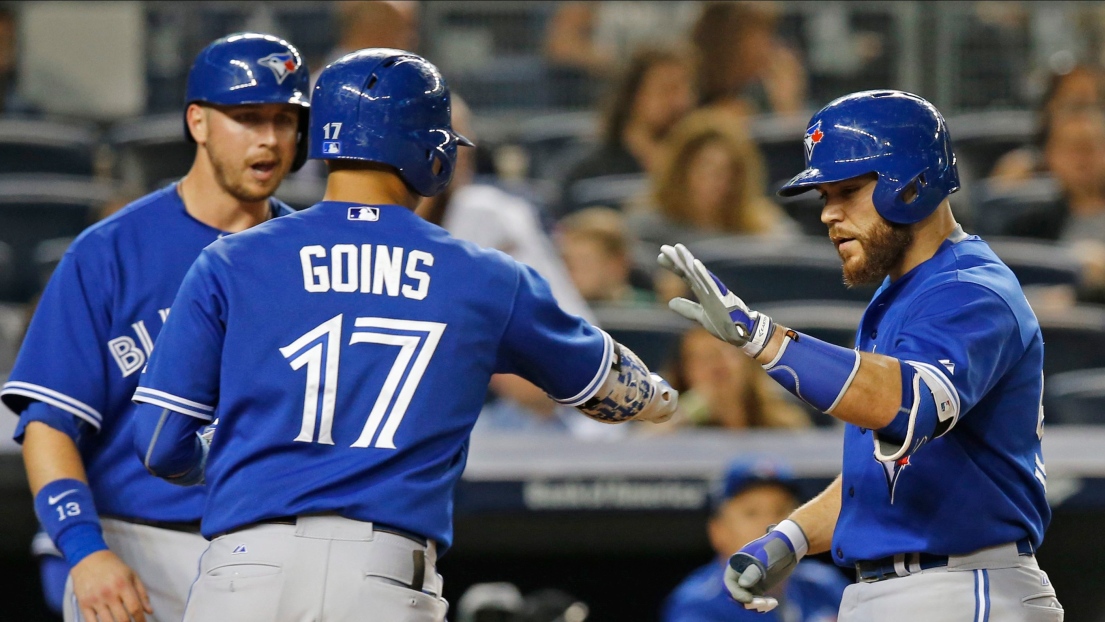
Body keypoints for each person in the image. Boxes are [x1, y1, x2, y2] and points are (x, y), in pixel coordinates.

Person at [131, 48, 677, 622]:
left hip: (243, 571)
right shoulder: (485, 275)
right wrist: (662, 402)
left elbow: (159, 442)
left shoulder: (231, 261)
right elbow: (610, 389)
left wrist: (238, 453)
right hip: (383, 578)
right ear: (433, 153)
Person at [658, 91, 1063, 619]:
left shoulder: (971, 288)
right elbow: (889, 475)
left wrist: (762, 339)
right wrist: (791, 538)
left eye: (847, 191)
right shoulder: (900, 296)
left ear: (913, 184)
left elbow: (906, 403)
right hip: (899, 587)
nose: (828, 213)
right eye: (824, 195)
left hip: (964, 586)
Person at [0, 33, 309, 622]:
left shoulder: (312, 259)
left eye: (284, 119)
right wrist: (85, 552)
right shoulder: (110, 253)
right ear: (198, 121)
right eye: (247, 117)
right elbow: (48, 427)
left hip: (272, 545)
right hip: (136, 542)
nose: (269, 138)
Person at [661, 457, 848, 622]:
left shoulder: (823, 584)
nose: (769, 523)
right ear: (718, 531)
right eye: (751, 513)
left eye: (781, 510)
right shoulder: (699, 602)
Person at [629, 109, 799, 248]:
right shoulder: (646, 229)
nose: (717, 181)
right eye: (705, 167)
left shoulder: (762, 227)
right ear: (680, 171)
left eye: (728, 171)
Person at [557, 46, 694, 217]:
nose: (681, 102)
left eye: (686, 91)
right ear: (632, 95)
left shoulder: (698, 171)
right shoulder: (587, 172)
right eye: (667, 90)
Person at [661, 327, 810, 431]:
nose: (716, 365)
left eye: (726, 352)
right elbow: (648, 446)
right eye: (702, 357)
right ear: (684, 372)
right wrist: (686, 412)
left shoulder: (784, 425)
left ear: (747, 364)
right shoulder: (671, 430)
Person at [691, 1, 806, 117]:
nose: (768, 45)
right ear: (730, 40)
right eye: (760, 34)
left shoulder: (753, 93)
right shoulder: (693, 97)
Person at [557, 206, 656, 307]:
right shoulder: (555, 310)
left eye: (584, 261)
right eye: (567, 261)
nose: (569, 272)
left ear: (617, 264)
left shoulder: (652, 310)